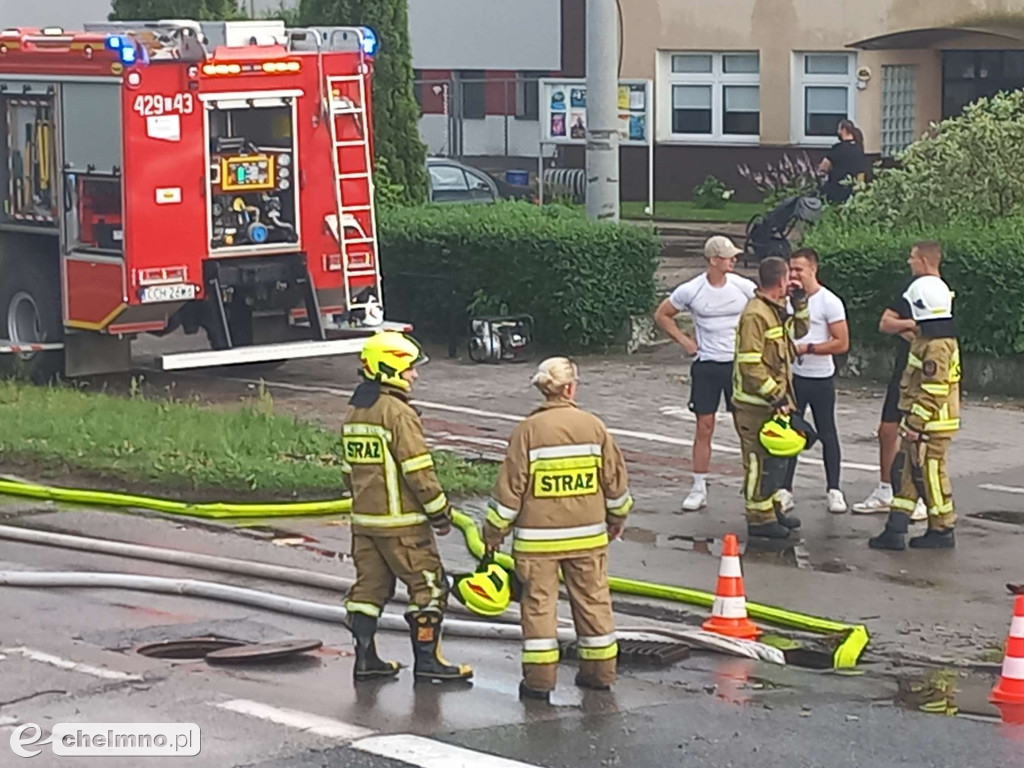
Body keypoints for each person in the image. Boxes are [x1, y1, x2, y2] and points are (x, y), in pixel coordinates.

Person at [484, 357, 633, 702]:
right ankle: (599, 675)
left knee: (538, 609)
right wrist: (617, 519)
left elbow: (510, 491)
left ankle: (539, 682)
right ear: (569, 388)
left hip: (537, 546)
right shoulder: (594, 427)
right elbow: (615, 483)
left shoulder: (527, 432)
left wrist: (493, 533)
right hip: (588, 540)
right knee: (595, 603)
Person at [342, 331, 472, 683]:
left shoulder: (357, 411)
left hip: (365, 525)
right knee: (429, 588)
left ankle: (366, 660)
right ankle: (429, 662)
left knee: (368, 592)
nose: (414, 375)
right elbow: (418, 472)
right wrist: (441, 513)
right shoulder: (397, 414)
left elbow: (347, 471)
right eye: (410, 367)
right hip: (404, 527)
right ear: (390, 367)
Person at [653, 236, 757, 511]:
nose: (734, 259)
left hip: (737, 364)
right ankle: (698, 486)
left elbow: (766, 309)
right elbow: (663, 314)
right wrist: (685, 341)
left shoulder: (743, 287)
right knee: (704, 426)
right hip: (707, 365)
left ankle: (753, 482)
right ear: (713, 260)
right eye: (728, 256)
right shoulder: (692, 290)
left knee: (744, 425)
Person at [869, 275, 960, 550]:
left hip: (931, 424)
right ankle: (895, 528)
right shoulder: (929, 339)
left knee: (930, 474)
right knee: (907, 473)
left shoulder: (937, 346)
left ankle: (943, 529)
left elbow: (934, 389)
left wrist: (917, 424)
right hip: (920, 421)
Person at [853, 243, 943, 521]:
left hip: (925, 377)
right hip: (902, 370)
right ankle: (885, 489)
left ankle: (919, 496)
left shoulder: (940, 292)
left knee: (917, 437)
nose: (908, 261)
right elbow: (885, 323)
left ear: (925, 260)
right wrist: (909, 326)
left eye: (912, 257)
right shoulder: (909, 289)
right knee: (886, 430)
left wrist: (915, 330)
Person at [732, 256, 810, 539]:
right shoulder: (756, 314)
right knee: (757, 462)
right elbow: (750, 364)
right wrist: (776, 397)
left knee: (776, 460)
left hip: (776, 402)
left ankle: (773, 508)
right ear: (780, 280)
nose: (791, 281)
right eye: (789, 276)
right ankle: (759, 518)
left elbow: (798, 333)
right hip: (755, 406)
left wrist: (800, 304)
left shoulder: (775, 311)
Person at [777, 248, 850, 514]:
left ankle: (834, 489)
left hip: (820, 377)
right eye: (791, 269)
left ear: (813, 270)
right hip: (793, 378)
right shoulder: (786, 301)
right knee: (790, 431)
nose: (794, 275)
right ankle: (785, 489)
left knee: (827, 431)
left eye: (799, 269)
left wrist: (808, 348)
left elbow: (841, 342)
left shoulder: (829, 301)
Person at [819, 119, 866, 204]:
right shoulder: (859, 149)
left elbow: (824, 166)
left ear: (844, 130)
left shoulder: (838, 149)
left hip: (836, 190)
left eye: (839, 129)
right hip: (852, 192)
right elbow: (861, 173)